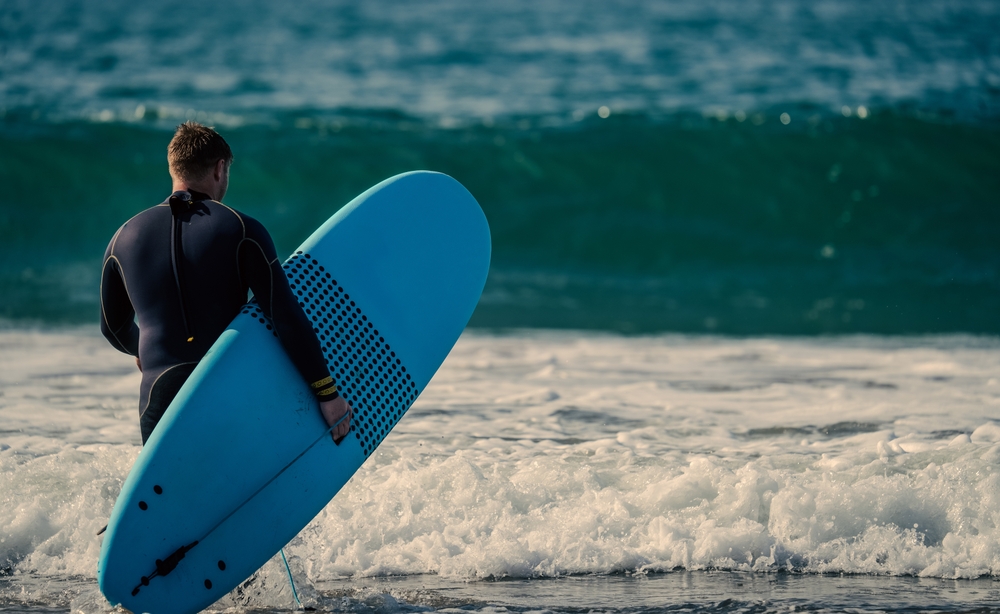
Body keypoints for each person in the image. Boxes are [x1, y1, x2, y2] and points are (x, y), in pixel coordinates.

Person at [100, 121, 352, 444]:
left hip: (159, 395)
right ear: (220, 169)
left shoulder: (123, 237)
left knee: (172, 477)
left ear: (173, 168)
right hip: (225, 386)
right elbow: (284, 316)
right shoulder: (240, 229)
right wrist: (327, 393)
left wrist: (144, 349)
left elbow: (112, 327)